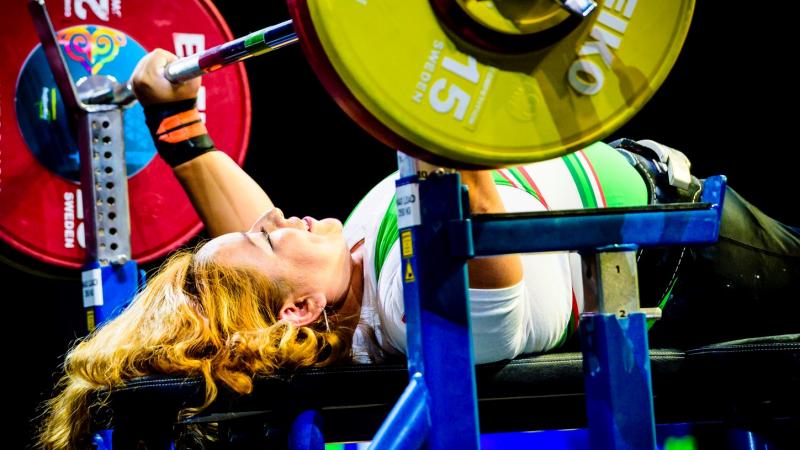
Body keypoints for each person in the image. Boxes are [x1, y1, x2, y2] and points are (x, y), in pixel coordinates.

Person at [36, 49, 800, 449]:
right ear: (300, 309)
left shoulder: (347, 299)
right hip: (711, 257)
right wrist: (416, 58)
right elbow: (457, 149)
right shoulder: (425, 303)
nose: (282, 218)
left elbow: (255, 227)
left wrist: (182, 134)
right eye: (272, 239)